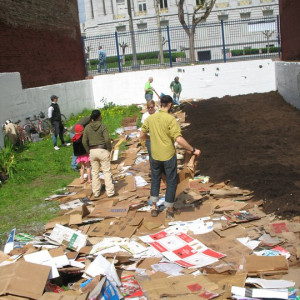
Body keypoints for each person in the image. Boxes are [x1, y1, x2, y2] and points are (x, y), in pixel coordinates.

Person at [140, 95, 201, 219]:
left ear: (160, 104)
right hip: (168, 156)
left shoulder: (151, 118)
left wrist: (150, 138)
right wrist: (192, 149)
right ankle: (169, 209)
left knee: (156, 180)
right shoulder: (170, 119)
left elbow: (141, 135)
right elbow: (178, 139)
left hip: (155, 156)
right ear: (170, 105)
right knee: (171, 182)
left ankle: (154, 207)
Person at [82, 109, 115, 198]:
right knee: (106, 171)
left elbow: (84, 141)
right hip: (102, 150)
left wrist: (88, 150)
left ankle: (96, 192)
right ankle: (110, 192)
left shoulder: (87, 127)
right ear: (99, 116)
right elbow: (107, 139)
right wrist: (109, 149)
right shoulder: (102, 126)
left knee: (95, 172)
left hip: (92, 151)